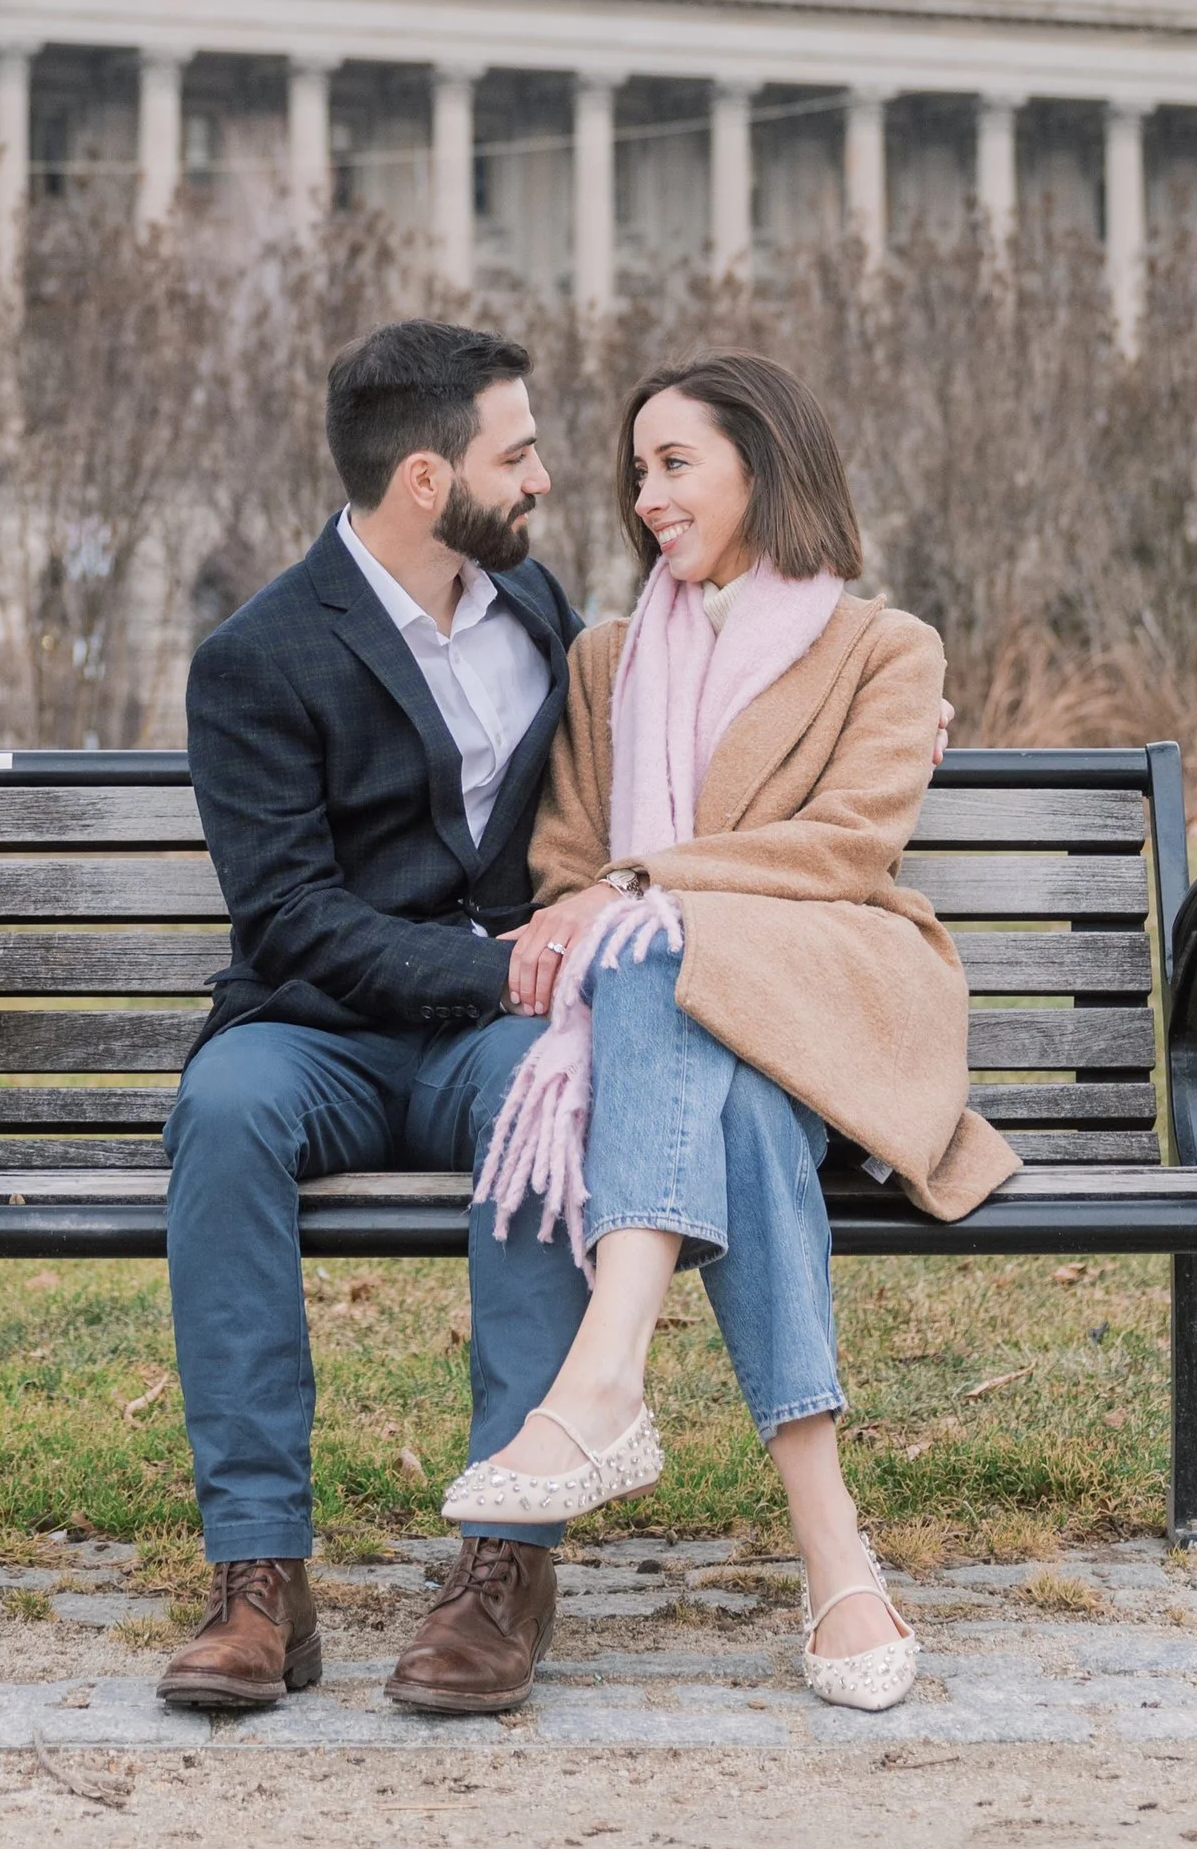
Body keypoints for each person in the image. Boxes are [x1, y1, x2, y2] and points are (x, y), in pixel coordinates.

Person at [452, 352, 1016, 1711]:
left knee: (652, 933)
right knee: (701, 1041)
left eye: (674, 463)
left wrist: (656, 883)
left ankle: (603, 1378)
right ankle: (835, 1555)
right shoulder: (607, 657)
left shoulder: (886, 647)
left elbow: (845, 846)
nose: (645, 494)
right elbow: (572, 861)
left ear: (762, 461)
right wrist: (634, 894)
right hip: (695, 1039)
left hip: (840, 995)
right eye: (636, 469)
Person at [157, 317, 592, 1719]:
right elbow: (288, 916)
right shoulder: (258, 656)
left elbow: (666, 728)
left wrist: (889, 697)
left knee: (552, 1091)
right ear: (425, 476)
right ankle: (258, 1577)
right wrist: (491, 969)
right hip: (320, 1026)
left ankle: (504, 1568)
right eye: (515, 452)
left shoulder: (538, 609)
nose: (540, 477)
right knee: (221, 1112)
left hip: (490, 1045)